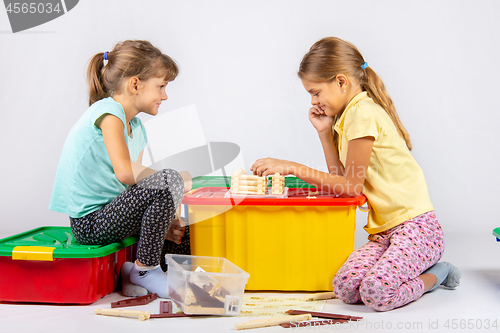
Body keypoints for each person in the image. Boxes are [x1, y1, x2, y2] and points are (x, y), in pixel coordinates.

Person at [251, 37, 460, 311]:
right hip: (386, 232)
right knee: (346, 287)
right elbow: (342, 183)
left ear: (340, 82)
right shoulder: (348, 115)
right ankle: (411, 267)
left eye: (315, 92)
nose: (314, 101)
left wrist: (291, 166)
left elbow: (350, 188)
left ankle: (437, 274)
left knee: (377, 293)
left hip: (416, 228)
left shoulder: (362, 113)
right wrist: (325, 133)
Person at [49, 40, 191, 298]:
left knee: (184, 230)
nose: (165, 95)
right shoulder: (108, 112)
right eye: (161, 86)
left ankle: (143, 272)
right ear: (135, 84)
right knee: (169, 178)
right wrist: (173, 182)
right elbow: (125, 172)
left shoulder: (136, 127)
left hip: (114, 215)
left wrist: (169, 217)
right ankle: (146, 270)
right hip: (90, 223)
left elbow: (133, 188)